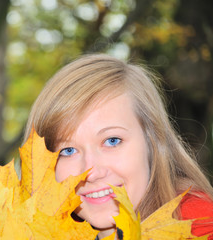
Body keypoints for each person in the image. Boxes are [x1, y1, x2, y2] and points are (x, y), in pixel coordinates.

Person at [23, 54, 213, 239]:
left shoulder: (201, 227)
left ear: (151, 142)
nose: (91, 172)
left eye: (112, 141)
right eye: (68, 151)